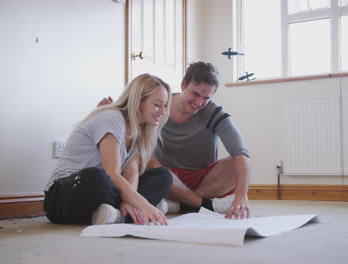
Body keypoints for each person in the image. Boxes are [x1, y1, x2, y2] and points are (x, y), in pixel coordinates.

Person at [99, 62, 251, 219]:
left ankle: (181, 203)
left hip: (202, 180)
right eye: (196, 94)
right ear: (183, 84)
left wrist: (242, 196)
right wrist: (115, 112)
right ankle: (199, 204)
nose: (199, 103)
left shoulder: (215, 113)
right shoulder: (160, 105)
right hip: (162, 175)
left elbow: (242, 154)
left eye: (206, 98)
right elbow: (131, 129)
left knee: (236, 164)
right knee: (140, 158)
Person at [44, 73, 173, 226]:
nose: (163, 112)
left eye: (164, 105)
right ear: (138, 101)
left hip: (101, 192)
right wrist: (144, 203)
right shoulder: (113, 118)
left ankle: (118, 213)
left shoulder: (140, 133)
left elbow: (131, 172)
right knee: (97, 176)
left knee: (163, 176)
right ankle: (131, 212)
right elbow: (112, 172)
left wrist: (130, 201)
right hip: (63, 196)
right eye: (158, 104)